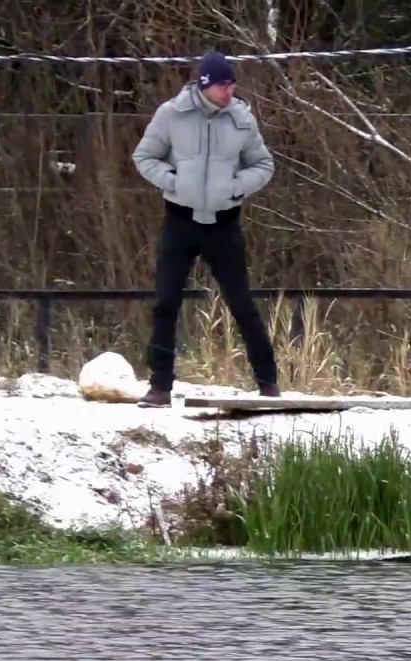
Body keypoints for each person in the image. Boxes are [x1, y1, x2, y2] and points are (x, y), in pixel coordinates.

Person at [131, 51, 278, 407]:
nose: (229, 92)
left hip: (224, 224)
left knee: (242, 304)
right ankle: (160, 386)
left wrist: (236, 186)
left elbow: (263, 164)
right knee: (166, 302)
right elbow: (143, 157)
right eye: (222, 86)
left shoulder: (241, 120)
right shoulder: (171, 115)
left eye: (232, 85)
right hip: (180, 220)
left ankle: (268, 384)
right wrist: (173, 181)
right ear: (205, 86)